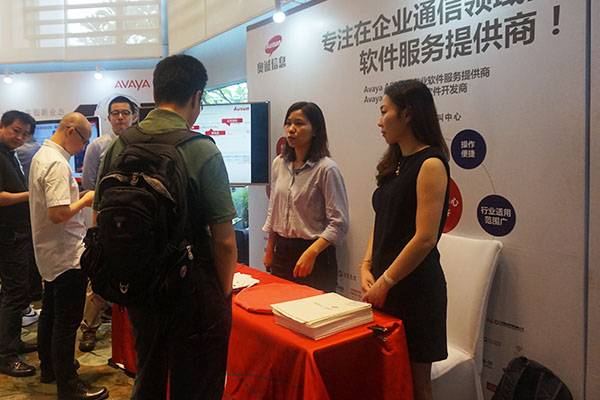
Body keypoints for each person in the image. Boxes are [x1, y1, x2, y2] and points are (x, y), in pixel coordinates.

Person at [94, 54, 237, 400]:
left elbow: (100, 220)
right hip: (192, 289)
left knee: (149, 372)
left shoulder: (119, 144)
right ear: (197, 97)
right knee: (197, 383)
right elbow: (224, 241)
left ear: (155, 94)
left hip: (139, 285)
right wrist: (222, 294)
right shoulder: (201, 149)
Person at [360, 80, 450, 400]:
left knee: (416, 385)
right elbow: (382, 220)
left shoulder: (431, 164)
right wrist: (366, 264)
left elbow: (424, 239)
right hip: (385, 287)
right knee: (387, 379)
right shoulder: (394, 163)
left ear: (407, 114)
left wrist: (386, 281)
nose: (380, 121)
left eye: (385, 112)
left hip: (415, 292)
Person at [29, 112, 108, 399]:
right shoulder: (56, 163)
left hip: (50, 251)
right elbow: (58, 213)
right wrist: (85, 200)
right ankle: (69, 385)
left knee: (51, 313)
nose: (83, 147)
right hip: (66, 254)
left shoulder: (42, 156)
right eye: (83, 141)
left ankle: (51, 368)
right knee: (67, 321)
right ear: (71, 131)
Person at [262, 102, 349, 293]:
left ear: (315, 130)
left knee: (312, 309)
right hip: (282, 252)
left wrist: (311, 253)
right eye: (288, 123)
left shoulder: (327, 169)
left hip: (315, 254)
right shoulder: (279, 163)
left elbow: (339, 223)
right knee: (278, 305)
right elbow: (274, 208)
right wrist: (270, 248)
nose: (291, 129)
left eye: (299, 123)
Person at [79, 95, 138, 353]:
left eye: (125, 113)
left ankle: (132, 330)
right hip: (107, 217)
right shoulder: (98, 146)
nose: (120, 117)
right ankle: (89, 327)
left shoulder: (143, 143)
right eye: (115, 113)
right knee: (100, 271)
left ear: (134, 116)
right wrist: (96, 226)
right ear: (109, 117)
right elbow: (90, 185)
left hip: (137, 217)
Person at [0, 110, 39, 377]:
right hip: (8, 235)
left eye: (25, 134)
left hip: (16, 233)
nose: (20, 137)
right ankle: (6, 356)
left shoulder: (9, 153)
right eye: (16, 131)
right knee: (14, 294)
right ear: (2, 126)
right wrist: (30, 195)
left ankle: (11, 343)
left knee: (16, 292)